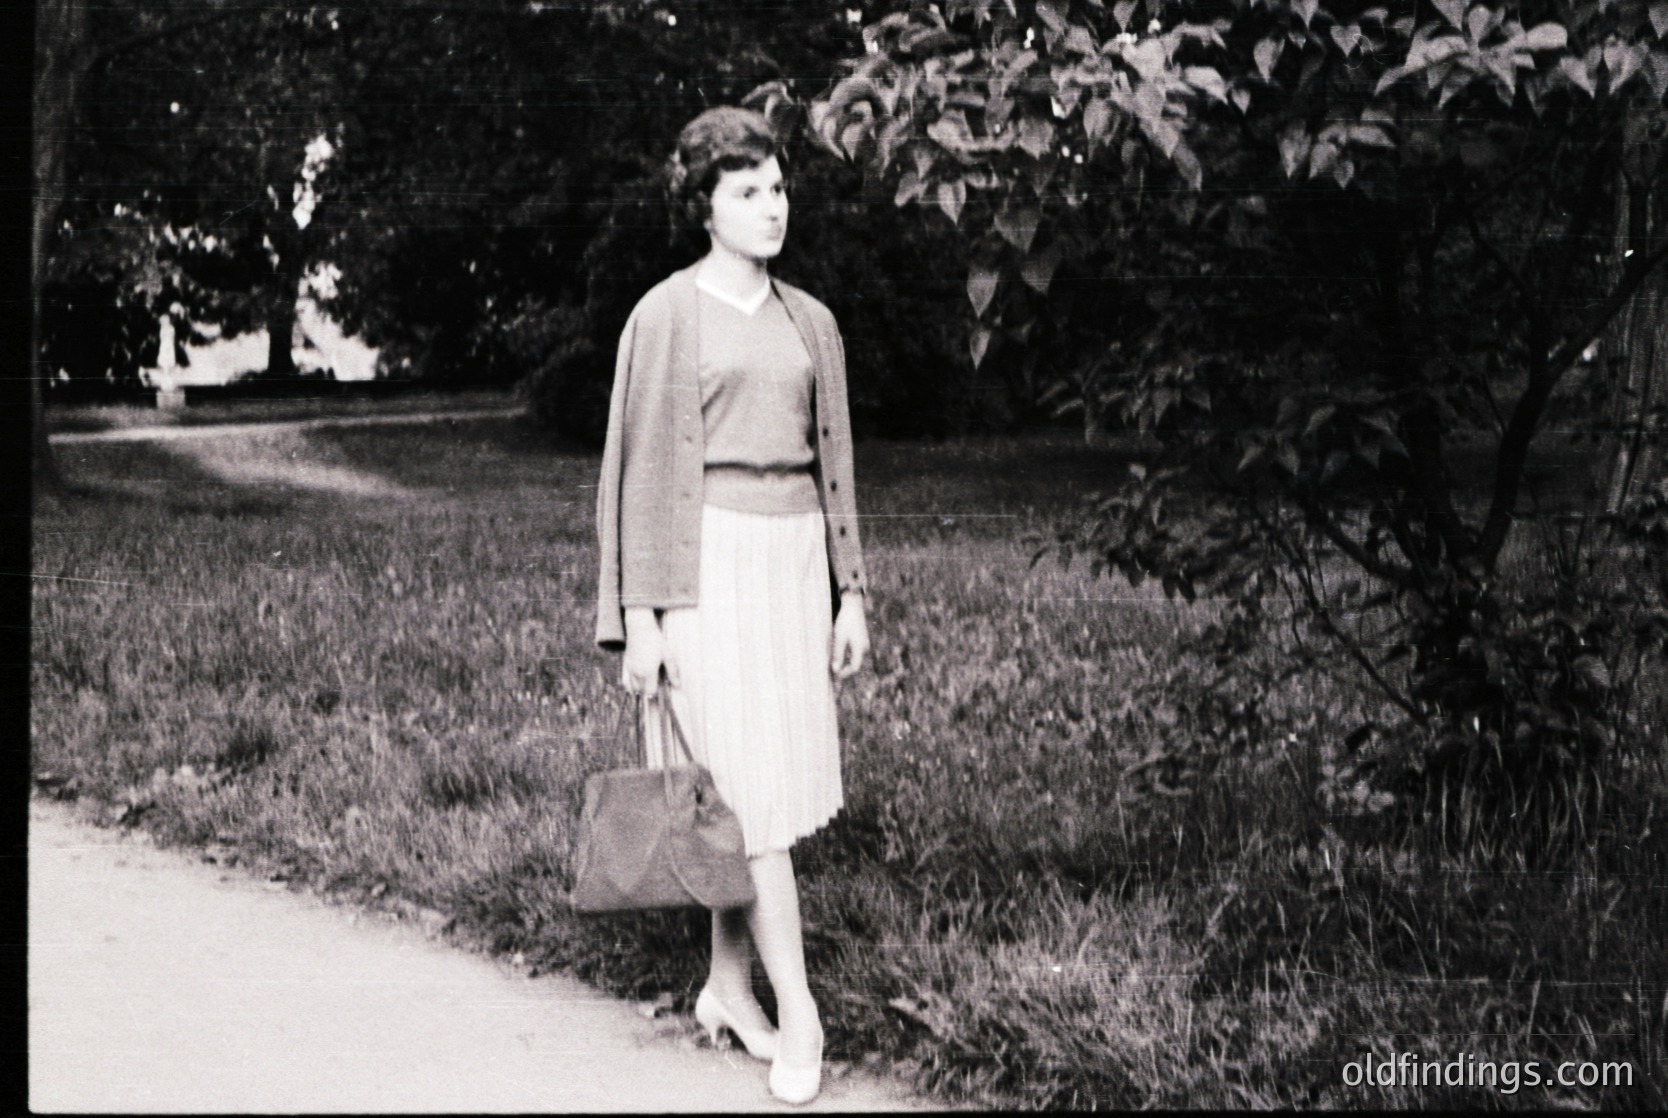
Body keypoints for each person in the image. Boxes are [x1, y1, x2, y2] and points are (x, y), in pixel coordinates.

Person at [593, 105, 870, 1106]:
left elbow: (835, 465)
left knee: (751, 788)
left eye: (778, 188)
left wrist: (851, 594)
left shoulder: (812, 322)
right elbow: (632, 474)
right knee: (746, 798)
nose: (769, 208)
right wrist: (640, 614)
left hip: (792, 568)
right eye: (745, 191)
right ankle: (800, 1009)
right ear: (703, 205)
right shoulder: (663, 316)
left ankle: (723, 984)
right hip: (701, 574)